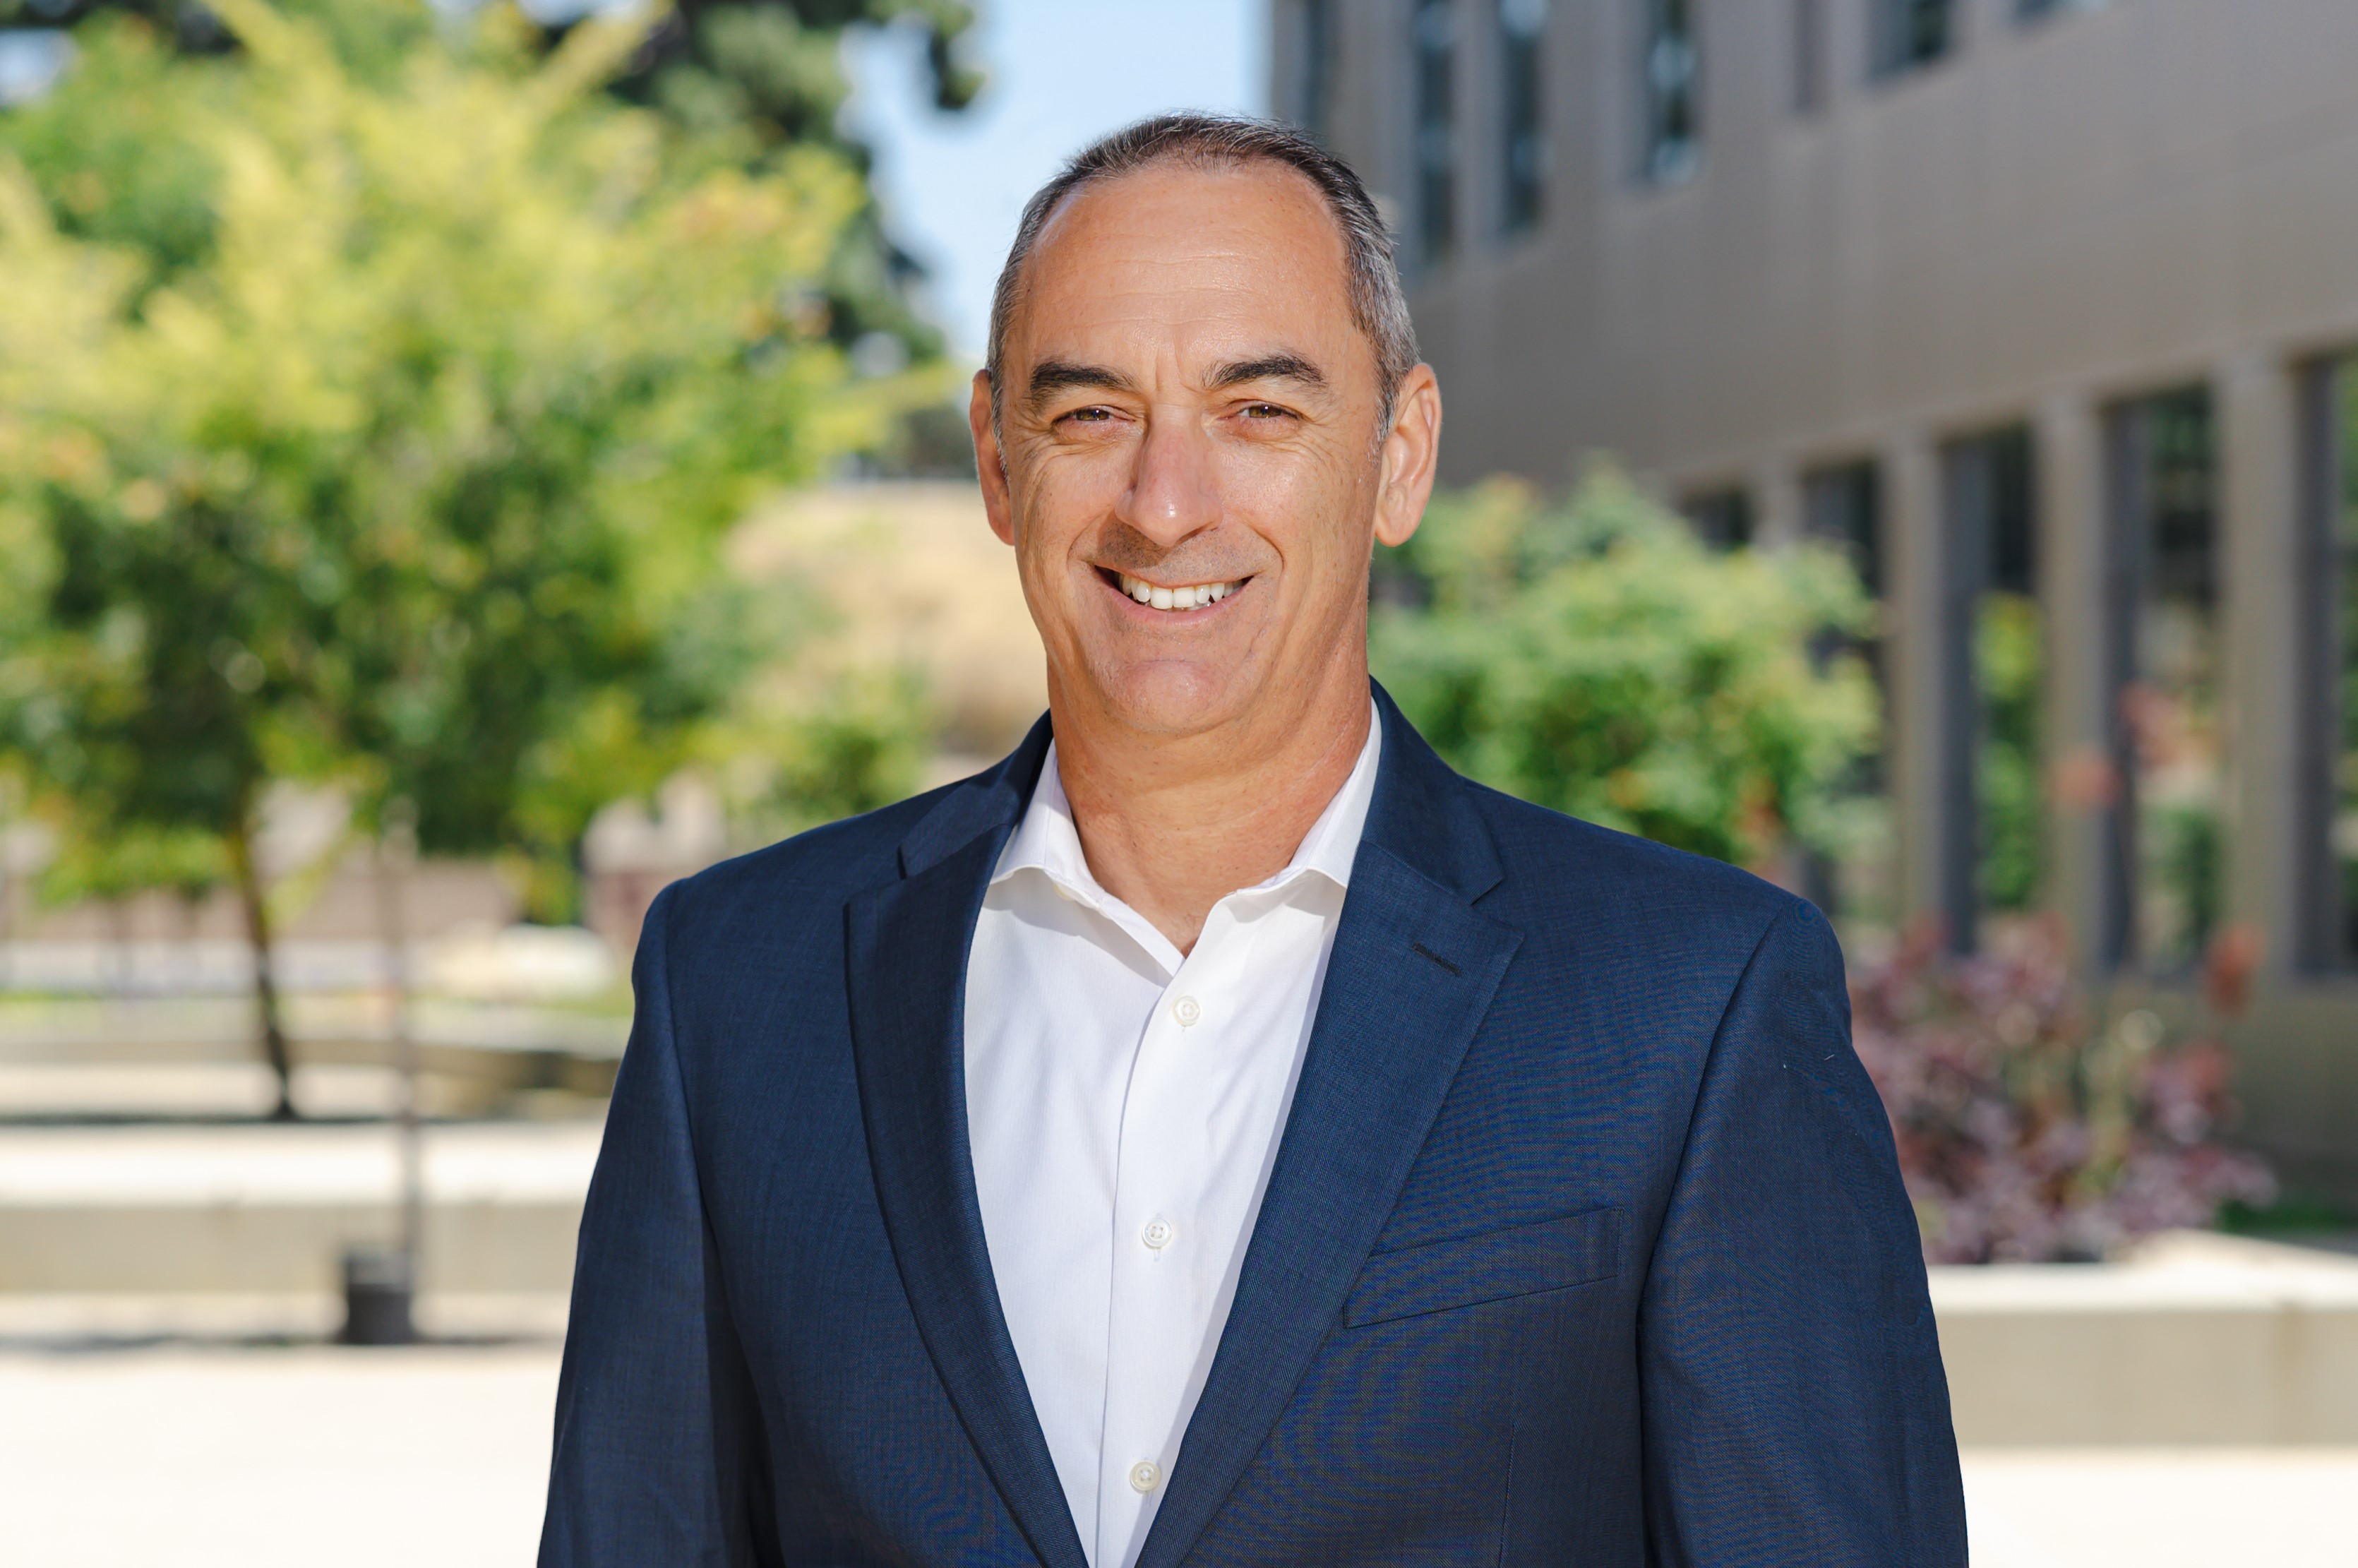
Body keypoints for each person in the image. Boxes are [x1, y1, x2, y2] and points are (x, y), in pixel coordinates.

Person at [540, 114, 1966, 1567]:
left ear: (1398, 457)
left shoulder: (1689, 1007)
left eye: (1257, 411)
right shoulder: (740, 988)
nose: (1165, 504)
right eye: (1088, 414)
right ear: (993, 462)